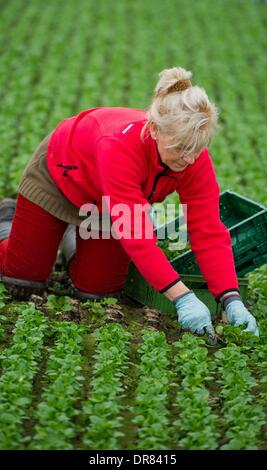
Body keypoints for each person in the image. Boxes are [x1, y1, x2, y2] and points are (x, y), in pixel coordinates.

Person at [0, 66, 259, 336]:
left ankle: (71, 240)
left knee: (96, 291)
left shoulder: (192, 158)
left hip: (107, 202)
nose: (190, 158)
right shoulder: (119, 147)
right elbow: (136, 236)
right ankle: (7, 221)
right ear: (155, 130)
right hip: (59, 178)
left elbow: (208, 230)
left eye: (197, 148)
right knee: (22, 281)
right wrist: (182, 297)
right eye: (181, 148)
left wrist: (231, 298)